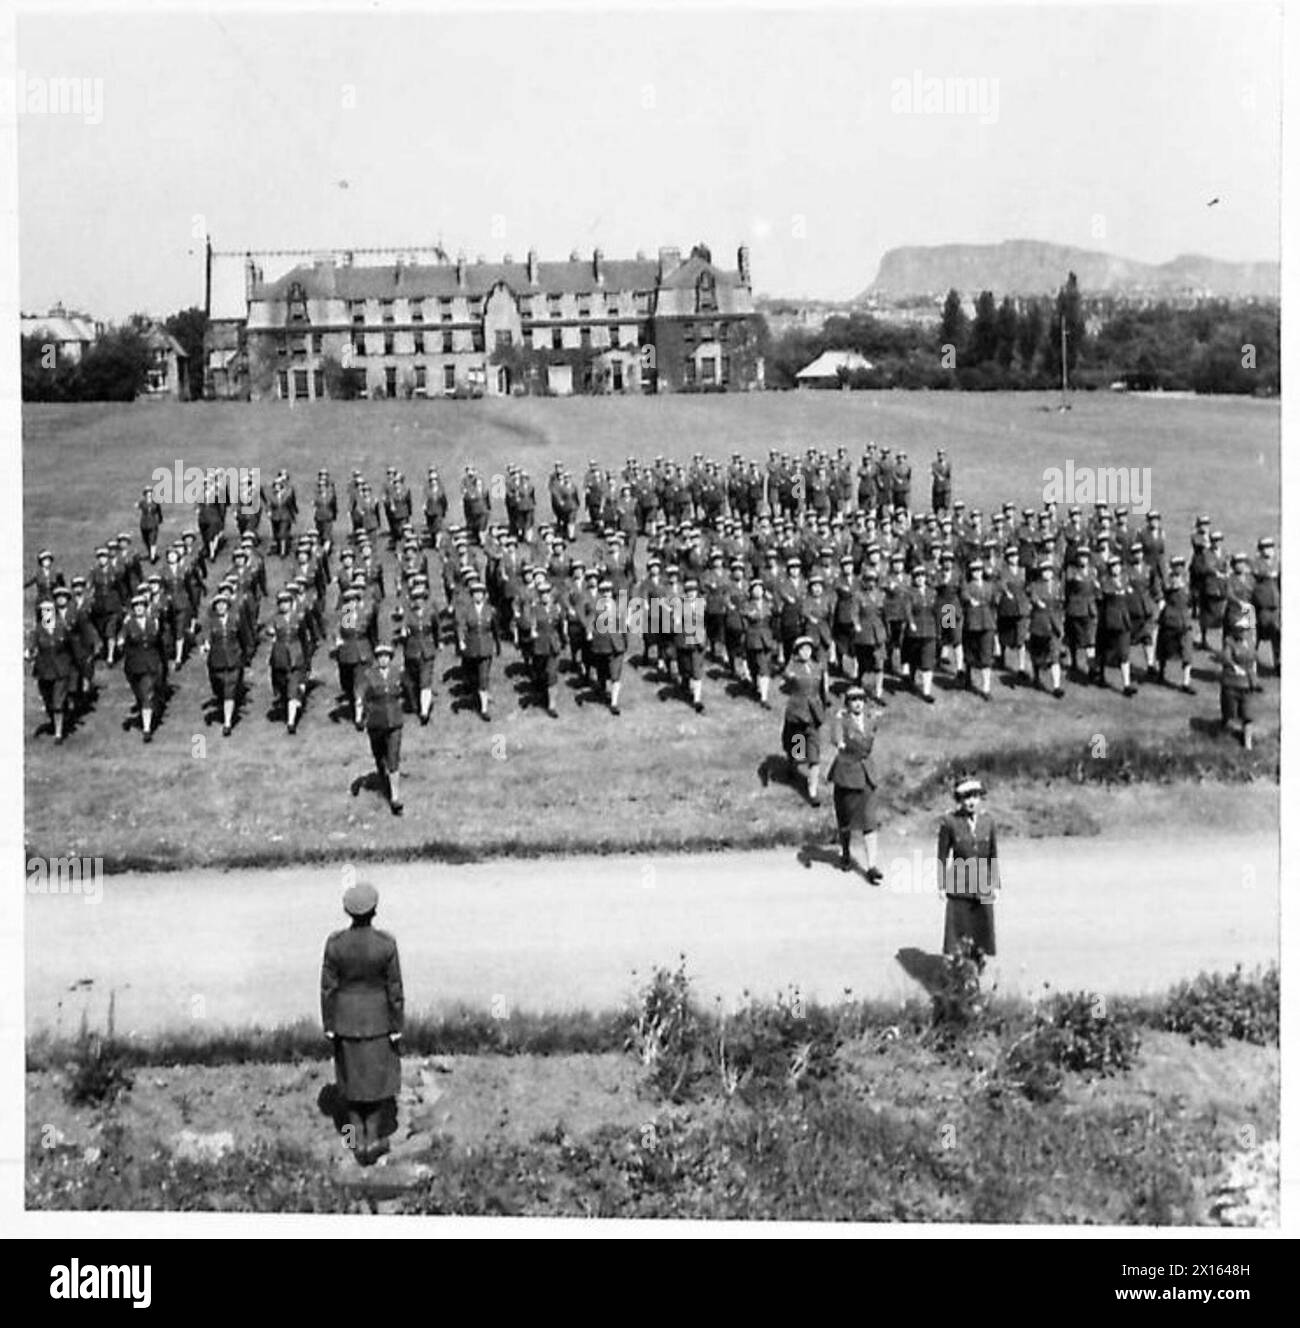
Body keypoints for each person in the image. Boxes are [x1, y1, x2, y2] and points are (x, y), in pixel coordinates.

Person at [321, 881, 404, 1167]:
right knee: (379, 1082)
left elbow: (328, 988)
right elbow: (394, 989)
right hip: (378, 1021)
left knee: (351, 1083)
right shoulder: (386, 945)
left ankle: (356, 1142)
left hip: (346, 1022)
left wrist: (329, 1022)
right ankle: (374, 1137)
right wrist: (396, 1025)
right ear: (375, 911)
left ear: (348, 912)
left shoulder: (335, 945)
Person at [936, 776, 1000, 963]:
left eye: (975, 796)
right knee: (960, 930)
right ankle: (960, 967)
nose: (971, 802)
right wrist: (941, 885)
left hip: (983, 884)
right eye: (966, 797)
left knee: (982, 929)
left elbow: (993, 855)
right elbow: (942, 855)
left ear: (980, 798)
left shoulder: (988, 822)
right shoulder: (949, 822)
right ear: (959, 800)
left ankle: (977, 961)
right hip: (960, 885)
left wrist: (995, 884)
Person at [825, 685, 883, 880]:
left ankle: (872, 865)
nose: (858, 703)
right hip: (847, 774)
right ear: (847, 703)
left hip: (867, 772)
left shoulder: (870, 719)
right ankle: (846, 853)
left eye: (861, 699)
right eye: (853, 700)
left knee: (869, 819)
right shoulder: (841, 720)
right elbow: (836, 739)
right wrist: (841, 741)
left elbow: (870, 739)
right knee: (846, 818)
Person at [360, 641, 406, 813]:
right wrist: (361, 716)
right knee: (380, 757)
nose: (383, 659)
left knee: (393, 757)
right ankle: (382, 778)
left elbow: (406, 691)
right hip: (376, 723)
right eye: (380, 656)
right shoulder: (369, 675)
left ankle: (395, 798)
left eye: (386, 656)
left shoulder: (397, 673)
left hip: (394, 721)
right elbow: (362, 696)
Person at [781, 636, 825, 804]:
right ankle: (792, 767)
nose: (806, 652)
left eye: (808, 649)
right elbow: (786, 678)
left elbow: (822, 691)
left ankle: (812, 792)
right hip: (797, 715)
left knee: (814, 756)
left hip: (813, 716)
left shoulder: (817, 668)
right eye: (802, 649)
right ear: (797, 652)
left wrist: (822, 712)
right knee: (797, 752)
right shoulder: (792, 667)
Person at [1215, 617, 1258, 751]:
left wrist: (1254, 676)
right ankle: (1223, 734)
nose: (1243, 632)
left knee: (1248, 714)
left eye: (1245, 629)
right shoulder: (1229, 642)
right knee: (1229, 712)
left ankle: (1247, 744)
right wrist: (1234, 667)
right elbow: (1226, 658)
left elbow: (1254, 659)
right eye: (1240, 630)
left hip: (1248, 685)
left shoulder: (1250, 642)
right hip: (1232, 683)